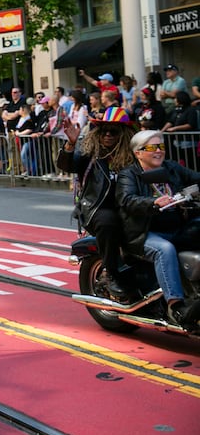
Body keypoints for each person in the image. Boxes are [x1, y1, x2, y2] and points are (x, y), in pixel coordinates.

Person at [116, 130, 200, 325]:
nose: (159, 151)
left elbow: (195, 177)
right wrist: (154, 203)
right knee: (165, 250)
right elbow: (127, 200)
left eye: (161, 146)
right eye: (152, 147)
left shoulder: (170, 168)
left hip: (177, 226)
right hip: (143, 232)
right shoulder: (129, 174)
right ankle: (176, 306)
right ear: (138, 152)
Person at [56, 106, 136, 301]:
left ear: (124, 134)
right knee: (109, 222)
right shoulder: (90, 153)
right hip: (97, 208)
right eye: (103, 130)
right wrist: (70, 144)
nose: (107, 134)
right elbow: (67, 165)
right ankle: (111, 273)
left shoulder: (134, 156)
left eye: (113, 131)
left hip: (130, 206)